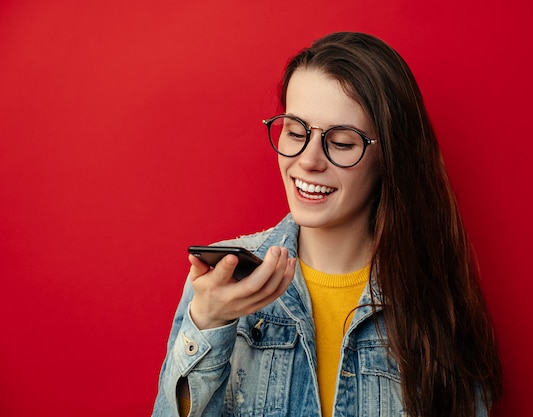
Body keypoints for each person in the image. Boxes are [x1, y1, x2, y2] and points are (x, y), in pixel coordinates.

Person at [152, 31, 503, 417]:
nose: (308, 160)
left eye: (341, 142)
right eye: (296, 132)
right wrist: (208, 324)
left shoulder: (433, 301)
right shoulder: (221, 283)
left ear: (390, 156)